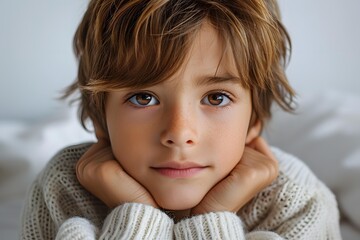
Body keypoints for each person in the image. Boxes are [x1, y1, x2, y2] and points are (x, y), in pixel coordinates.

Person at [20, 0, 342, 239]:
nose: (179, 133)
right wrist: (137, 213)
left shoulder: (297, 201)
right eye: (143, 98)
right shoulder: (63, 189)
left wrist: (211, 216)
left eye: (216, 98)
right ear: (100, 116)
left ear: (255, 117)